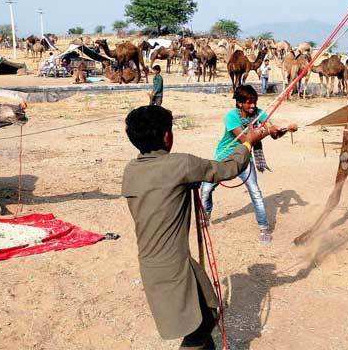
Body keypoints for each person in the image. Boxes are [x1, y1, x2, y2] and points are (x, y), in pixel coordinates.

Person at [122, 105, 269, 349]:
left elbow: (163, 189)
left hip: (155, 265)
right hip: (174, 267)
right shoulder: (181, 165)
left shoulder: (131, 171)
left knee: (208, 314)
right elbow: (227, 169)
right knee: (197, 331)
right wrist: (248, 143)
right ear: (167, 136)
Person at [200, 85, 296, 244]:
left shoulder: (260, 114)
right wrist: (271, 130)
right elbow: (247, 140)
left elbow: (274, 134)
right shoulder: (231, 116)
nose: (253, 106)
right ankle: (207, 214)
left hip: (244, 158)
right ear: (239, 103)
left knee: (256, 193)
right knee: (206, 188)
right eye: (249, 102)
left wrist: (285, 129)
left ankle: (264, 228)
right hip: (224, 157)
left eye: (254, 102)